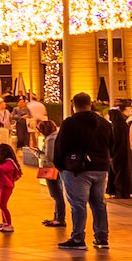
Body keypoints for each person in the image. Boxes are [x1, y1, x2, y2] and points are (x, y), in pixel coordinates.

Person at [53, 92, 111, 251]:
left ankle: (78, 238)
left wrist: (60, 166)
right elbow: (112, 144)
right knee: (99, 204)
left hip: (77, 170)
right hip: (101, 168)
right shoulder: (104, 123)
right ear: (90, 104)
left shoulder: (70, 123)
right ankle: (102, 238)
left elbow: (60, 146)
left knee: (78, 205)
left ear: (74, 105)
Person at [0, 142, 20, 233]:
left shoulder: (9, 162)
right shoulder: (3, 162)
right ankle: (4, 222)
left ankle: (9, 224)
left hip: (6, 186)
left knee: (3, 205)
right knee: (1, 206)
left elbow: (1, 170)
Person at [106, 105, 132, 198]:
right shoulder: (123, 125)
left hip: (117, 153)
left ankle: (118, 192)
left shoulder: (116, 127)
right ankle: (123, 192)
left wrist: (111, 152)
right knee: (123, 172)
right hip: (124, 152)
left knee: (117, 173)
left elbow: (115, 140)